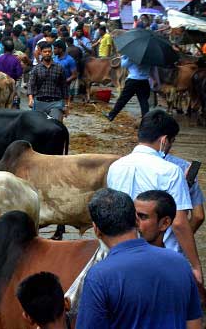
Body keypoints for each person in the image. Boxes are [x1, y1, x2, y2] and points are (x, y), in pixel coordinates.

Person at [75, 188, 202, 329]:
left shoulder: (99, 275)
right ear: (135, 220)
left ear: (96, 229)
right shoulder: (180, 262)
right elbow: (194, 323)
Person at [107, 110, 202, 283]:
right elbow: (180, 222)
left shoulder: (115, 166)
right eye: (171, 142)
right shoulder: (171, 171)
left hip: (120, 254)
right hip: (161, 259)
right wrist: (196, 266)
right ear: (164, 140)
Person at [28, 43, 69, 121]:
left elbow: (64, 87)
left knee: (56, 125)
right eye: (45, 51)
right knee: (37, 126)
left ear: (52, 53)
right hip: (39, 102)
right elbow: (31, 85)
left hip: (56, 102)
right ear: (41, 53)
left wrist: (66, 105)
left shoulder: (59, 68)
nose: (47, 53)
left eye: (49, 51)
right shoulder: (36, 69)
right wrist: (30, 99)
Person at [164, 154, 205, 232]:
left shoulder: (134, 162)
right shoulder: (185, 167)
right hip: (173, 239)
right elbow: (198, 216)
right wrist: (183, 239)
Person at [104, 54, 151, 121]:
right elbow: (152, 70)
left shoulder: (133, 55)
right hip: (144, 81)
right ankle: (146, 121)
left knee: (122, 100)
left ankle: (111, 115)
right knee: (144, 102)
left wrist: (123, 58)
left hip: (133, 81)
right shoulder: (150, 57)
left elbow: (124, 65)